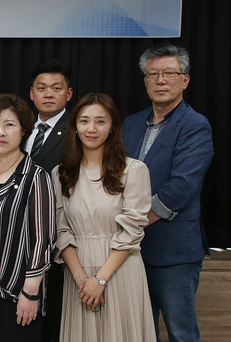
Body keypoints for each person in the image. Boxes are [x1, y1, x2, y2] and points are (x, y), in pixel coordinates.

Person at [122, 44, 213, 342]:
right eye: (153, 74)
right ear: (145, 80)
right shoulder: (131, 123)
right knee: (140, 331)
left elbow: (181, 187)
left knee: (180, 332)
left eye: (169, 73)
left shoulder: (195, 125)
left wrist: (134, 220)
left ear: (185, 80)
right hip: (131, 250)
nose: (161, 80)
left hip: (173, 252)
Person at [53, 93, 156, 341]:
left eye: (100, 121)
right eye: (84, 121)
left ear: (112, 128)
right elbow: (61, 230)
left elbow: (132, 231)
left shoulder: (133, 170)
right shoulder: (60, 174)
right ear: (75, 127)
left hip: (120, 270)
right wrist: (82, 280)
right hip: (78, 276)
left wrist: (100, 279)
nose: (91, 128)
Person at [0, 94, 55, 342]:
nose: (1, 132)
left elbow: (42, 240)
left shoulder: (35, 176)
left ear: (24, 130)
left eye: (9, 124)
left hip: (18, 292)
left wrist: (30, 293)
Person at [23, 60, 74, 342]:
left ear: (69, 93)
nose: (48, 94)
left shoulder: (77, 131)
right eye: (41, 88)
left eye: (56, 88)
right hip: (20, 238)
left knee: (54, 317)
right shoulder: (20, 127)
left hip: (56, 237)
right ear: (32, 93)